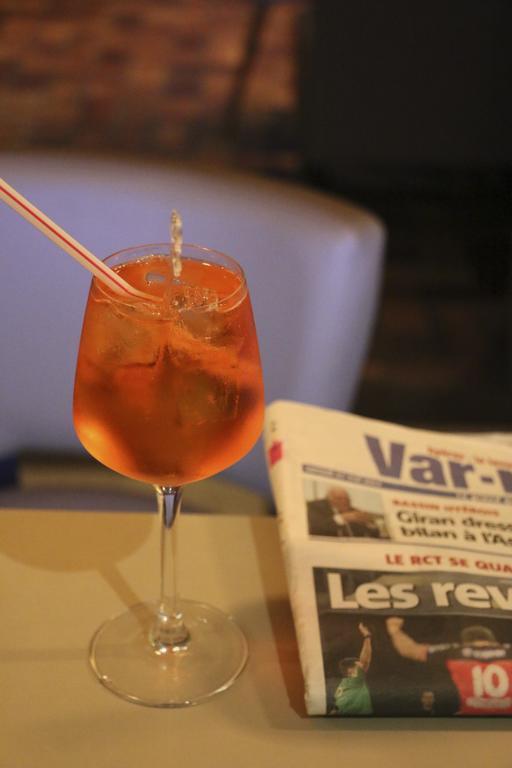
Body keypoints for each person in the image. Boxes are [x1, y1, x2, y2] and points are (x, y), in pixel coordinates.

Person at [386, 617, 512, 715]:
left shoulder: (454, 651)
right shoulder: (508, 650)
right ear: (493, 640)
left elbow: (410, 650)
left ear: (465, 642)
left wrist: (394, 630)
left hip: (468, 718)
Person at [307, 486, 383, 538]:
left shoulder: (354, 511)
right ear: (328, 499)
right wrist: (342, 518)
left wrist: (369, 524)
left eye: (347, 499)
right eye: (339, 499)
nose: (344, 502)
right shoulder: (314, 507)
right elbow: (315, 528)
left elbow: (375, 535)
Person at [332, 622, 373, 715]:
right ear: (350, 670)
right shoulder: (354, 681)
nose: (361, 665)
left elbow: (335, 710)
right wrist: (367, 636)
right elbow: (365, 660)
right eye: (358, 664)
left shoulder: (341, 686)